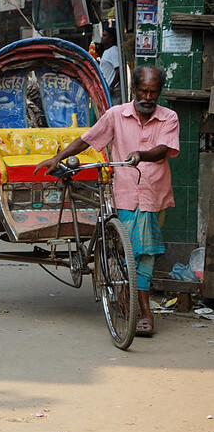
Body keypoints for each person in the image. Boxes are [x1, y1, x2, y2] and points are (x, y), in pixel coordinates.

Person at [33, 66, 179, 337]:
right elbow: (87, 140)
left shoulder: (169, 117)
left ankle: (137, 305)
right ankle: (141, 309)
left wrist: (141, 155)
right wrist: (58, 158)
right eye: (143, 91)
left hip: (155, 194)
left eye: (153, 92)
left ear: (159, 93)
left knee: (144, 253)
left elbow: (162, 150)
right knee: (134, 252)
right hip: (124, 192)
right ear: (134, 90)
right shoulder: (116, 115)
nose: (147, 97)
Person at [98, 27, 121, 102]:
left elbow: (119, 71)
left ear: (111, 38)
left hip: (112, 93)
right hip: (106, 92)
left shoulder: (113, 51)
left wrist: (111, 87)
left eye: (105, 36)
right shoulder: (107, 51)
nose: (102, 38)